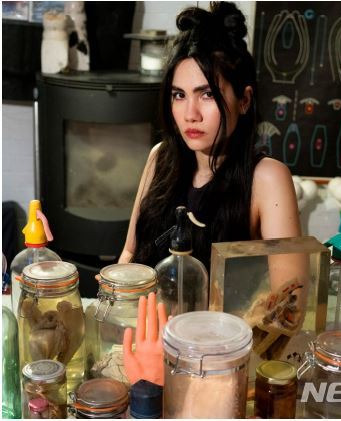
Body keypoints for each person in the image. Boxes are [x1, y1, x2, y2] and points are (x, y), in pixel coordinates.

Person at [119, 2, 302, 276]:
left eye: (207, 94)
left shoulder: (267, 179)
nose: (190, 114)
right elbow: (130, 253)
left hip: (226, 320)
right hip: (148, 316)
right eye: (179, 95)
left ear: (244, 100)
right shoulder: (161, 158)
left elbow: (289, 298)